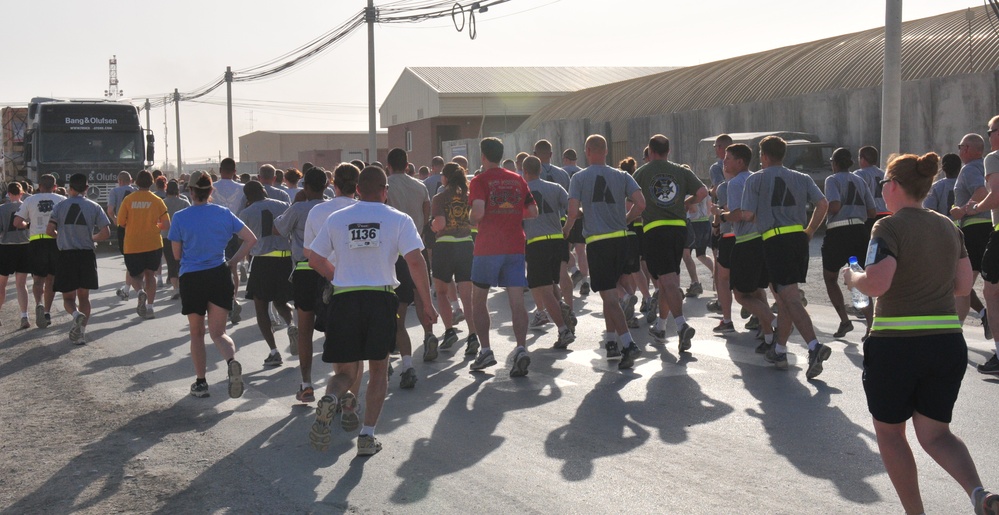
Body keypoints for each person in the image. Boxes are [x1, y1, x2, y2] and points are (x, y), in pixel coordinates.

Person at [843, 152, 999, 515]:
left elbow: (877, 285)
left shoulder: (888, 227)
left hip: (897, 345)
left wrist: (853, 278)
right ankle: (979, 493)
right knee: (937, 434)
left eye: (883, 184)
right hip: (945, 343)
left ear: (893, 186)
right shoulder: (948, 226)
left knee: (891, 434)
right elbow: (963, 286)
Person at [307, 166, 436, 456]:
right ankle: (366, 437)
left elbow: (314, 258)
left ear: (358, 189)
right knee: (378, 370)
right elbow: (416, 262)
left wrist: (336, 274)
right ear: (384, 190)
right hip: (380, 298)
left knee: (347, 371)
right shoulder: (398, 219)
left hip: (344, 299)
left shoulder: (337, 218)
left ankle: (331, 397)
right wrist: (427, 304)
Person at [741, 136, 830, 378]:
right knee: (782, 298)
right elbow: (822, 204)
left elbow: (748, 214)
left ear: (764, 156)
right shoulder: (802, 177)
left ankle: (814, 346)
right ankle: (780, 349)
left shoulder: (755, 179)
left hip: (775, 239)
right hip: (798, 239)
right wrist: (810, 230)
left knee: (789, 297)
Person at [168, 171, 257, 398]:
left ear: (189, 191)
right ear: (211, 191)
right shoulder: (224, 213)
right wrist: (234, 261)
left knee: (197, 333)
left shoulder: (180, 217)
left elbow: (176, 255)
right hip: (219, 273)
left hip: (192, 277)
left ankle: (201, 382)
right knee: (219, 332)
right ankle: (231, 362)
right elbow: (251, 239)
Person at [564, 134, 646, 368]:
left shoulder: (579, 177)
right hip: (622, 239)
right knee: (608, 292)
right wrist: (625, 219)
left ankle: (628, 344)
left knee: (609, 296)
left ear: (588, 150)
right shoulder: (622, 175)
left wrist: (568, 228)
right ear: (607, 151)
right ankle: (611, 342)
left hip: (599, 242)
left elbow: (572, 211)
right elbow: (641, 204)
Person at [467, 137, 538, 375]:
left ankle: (486, 350)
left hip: (488, 248)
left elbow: (477, 212)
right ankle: (521, 348)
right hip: (515, 246)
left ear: (483, 156)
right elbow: (533, 211)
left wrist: (470, 220)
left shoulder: (479, 180)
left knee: (478, 300)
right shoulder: (517, 179)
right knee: (517, 301)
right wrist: (510, 213)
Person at [632, 134, 707, 353]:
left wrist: (628, 219)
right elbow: (702, 192)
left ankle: (682, 325)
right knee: (668, 280)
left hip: (656, 231)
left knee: (668, 281)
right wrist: (687, 201)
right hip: (679, 229)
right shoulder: (681, 171)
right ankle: (661, 326)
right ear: (668, 151)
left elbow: (634, 201)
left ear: (650, 151)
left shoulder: (642, 172)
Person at [276, 168, 331, 403]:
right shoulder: (332, 207)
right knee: (335, 329)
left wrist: (295, 204)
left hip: (305, 270)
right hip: (330, 270)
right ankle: (341, 385)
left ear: (306, 187)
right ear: (326, 185)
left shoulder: (298, 208)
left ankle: (307, 385)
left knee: (305, 331)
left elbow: (276, 229)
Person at [385, 147, 437, 388]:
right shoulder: (420, 186)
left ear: (388, 165)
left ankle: (397, 342)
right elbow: (426, 214)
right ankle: (428, 336)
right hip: (417, 246)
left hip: (393, 252)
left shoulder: (385, 186)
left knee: (399, 305)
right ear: (407, 165)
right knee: (421, 294)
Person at [715, 144, 775, 345]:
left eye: (728, 158)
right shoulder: (758, 178)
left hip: (746, 241)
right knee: (758, 290)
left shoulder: (734, 183)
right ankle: (768, 338)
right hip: (764, 239)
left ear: (740, 161)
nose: (724, 161)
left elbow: (739, 214)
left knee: (741, 294)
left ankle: (774, 322)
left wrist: (722, 216)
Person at [46, 173, 111, 344]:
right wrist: (92, 238)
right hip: (86, 255)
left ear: (70, 188)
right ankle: (81, 333)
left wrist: (60, 235)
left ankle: (75, 315)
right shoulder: (95, 206)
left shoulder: (60, 206)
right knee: (84, 297)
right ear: (87, 188)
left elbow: (49, 231)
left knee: (68, 298)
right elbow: (106, 232)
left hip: (66, 255)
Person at [821, 148, 876, 339]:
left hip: (839, 231)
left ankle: (845, 321)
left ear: (834, 163)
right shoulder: (860, 180)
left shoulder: (832, 180)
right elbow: (871, 211)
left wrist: (822, 210)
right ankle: (871, 326)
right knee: (860, 277)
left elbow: (834, 205)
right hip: (859, 231)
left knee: (830, 277)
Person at [523, 156, 576, 348]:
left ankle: (563, 329)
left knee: (544, 290)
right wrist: (568, 227)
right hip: (556, 239)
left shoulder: (522, 190)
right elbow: (573, 208)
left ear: (525, 171)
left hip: (537, 243)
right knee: (553, 285)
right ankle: (562, 308)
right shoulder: (554, 187)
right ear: (540, 170)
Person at [239, 180, 294, 367]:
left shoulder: (246, 213)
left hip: (262, 260)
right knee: (281, 301)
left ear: (247, 197)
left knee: (261, 306)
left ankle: (273, 351)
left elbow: (245, 240)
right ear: (264, 191)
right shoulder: (284, 205)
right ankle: (291, 324)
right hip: (285, 258)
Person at [429, 162, 478, 354]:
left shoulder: (439, 197)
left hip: (445, 246)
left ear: (446, 178)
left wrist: (433, 225)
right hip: (466, 244)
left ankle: (449, 331)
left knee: (442, 292)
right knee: (467, 295)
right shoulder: (468, 197)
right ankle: (473, 334)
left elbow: (440, 223)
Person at [963, 115, 999, 375]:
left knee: (991, 293)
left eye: (990, 131)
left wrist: (974, 208)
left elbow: (994, 194)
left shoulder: (993, 158)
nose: (989, 136)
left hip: (993, 230)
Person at [116, 170, 171, 319]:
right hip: (153, 243)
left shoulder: (128, 200)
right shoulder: (157, 200)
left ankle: (140, 292)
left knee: (135, 274)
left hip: (132, 244)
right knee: (150, 275)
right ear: (152, 183)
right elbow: (166, 224)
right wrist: (154, 226)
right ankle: (150, 308)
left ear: (136, 182)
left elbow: (120, 222)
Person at [13, 174, 65, 328]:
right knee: (51, 279)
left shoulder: (30, 200)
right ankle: (47, 312)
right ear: (55, 186)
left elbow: (17, 222)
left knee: (38, 280)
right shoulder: (61, 200)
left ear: (39, 186)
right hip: (55, 241)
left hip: (36, 242)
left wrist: (29, 224)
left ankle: (39, 304)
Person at [950, 134, 991, 327]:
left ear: (966, 149)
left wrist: (962, 210)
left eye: (960, 147)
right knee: (991, 285)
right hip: (991, 227)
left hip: (975, 230)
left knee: (961, 286)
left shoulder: (969, 169)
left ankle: (955, 330)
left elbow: (981, 191)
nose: (959, 151)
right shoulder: (990, 167)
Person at [211, 158, 248, 323]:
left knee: (215, 266)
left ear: (220, 170)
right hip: (235, 230)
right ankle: (233, 299)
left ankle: (220, 302)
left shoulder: (212, 188)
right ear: (235, 171)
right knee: (233, 266)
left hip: (215, 232)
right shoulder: (243, 188)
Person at [0, 182, 31, 329]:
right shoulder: (26, 207)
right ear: (21, 193)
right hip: (24, 246)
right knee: (21, 284)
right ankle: (24, 315)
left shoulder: (2, 209)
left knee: (2, 284)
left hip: (6, 247)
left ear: (8, 194)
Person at [106, 171, 136, 301]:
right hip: (137, 224)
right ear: (131, 180)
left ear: (119, 181)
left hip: (123, 225)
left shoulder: (114, 191)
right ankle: (129, 288)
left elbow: (110, 209)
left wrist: (115, 220)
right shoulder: (136, 191)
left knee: (129, 257)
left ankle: (129, 288)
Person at [162, 181, 191, 300]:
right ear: (178, 191)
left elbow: (158, 222)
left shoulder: (162, 203)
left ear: (166, 190)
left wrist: (161, 228)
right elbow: (190, 218)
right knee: (182, 262)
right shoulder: (184, 202)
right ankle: (183, 286)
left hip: (166, 236)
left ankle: (175, 288)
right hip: (182, 237)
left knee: (171, 262)